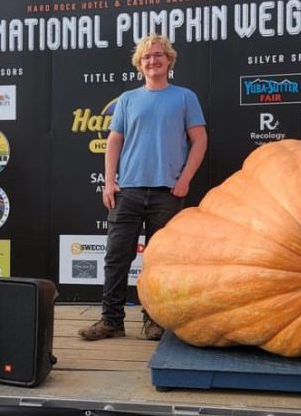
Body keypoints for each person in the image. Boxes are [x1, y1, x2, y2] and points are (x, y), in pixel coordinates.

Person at [78, 34, 207, 341]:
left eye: (159, 55)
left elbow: (199, 140)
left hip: (167, 192)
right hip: (128, 191)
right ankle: (111, 320)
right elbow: (114, 142)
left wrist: (185, 178)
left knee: (158, 261)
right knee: (116, 256)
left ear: (169, 60)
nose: (153, 60)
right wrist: (109, 182)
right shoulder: (127, 100)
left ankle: (154, 320)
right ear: (139, 63)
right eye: (147, 57)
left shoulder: (185, 97)